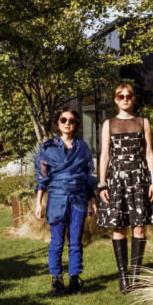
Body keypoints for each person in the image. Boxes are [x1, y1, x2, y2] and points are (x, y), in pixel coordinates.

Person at [96, 83, 153, 293]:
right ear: (115, 99)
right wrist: (102, 183)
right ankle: (123, 277)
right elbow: (104, 155)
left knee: (139, 227)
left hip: (139, 178)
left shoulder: (143, 122)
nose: (125, 99)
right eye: (121, 96)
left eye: (129, 96)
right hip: (116, 180)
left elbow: (149, 153)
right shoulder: (109, 124)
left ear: (134, 99)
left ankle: (135, 277)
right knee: (119, 226)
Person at [34, 109, 98, 295]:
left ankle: (74, 280)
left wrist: (92, 199)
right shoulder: (47, 147)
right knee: (56, 242)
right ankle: (56, 280)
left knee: (76, 241)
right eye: (63, 119)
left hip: (78, 198)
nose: (67, 123)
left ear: (76, 124)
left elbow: (88, 176)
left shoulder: (83, 147)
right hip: (56, 199)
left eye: (71, 120)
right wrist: (39, 202)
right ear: (58, 123)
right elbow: (41, 178)